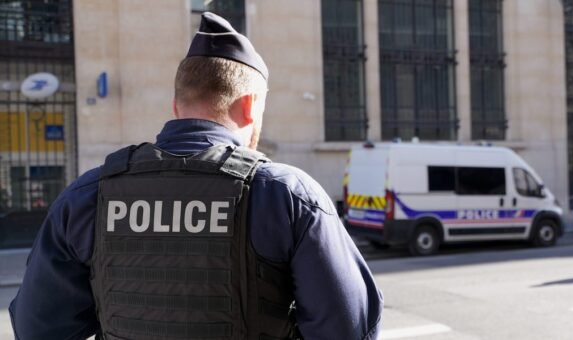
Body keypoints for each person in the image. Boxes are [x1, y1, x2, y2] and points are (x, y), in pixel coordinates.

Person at [9, 12, 382, 340]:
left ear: (176, 105)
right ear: (249, 106)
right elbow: (349, 328)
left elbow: (37, 327)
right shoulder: (287, 196)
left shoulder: (87, 195)